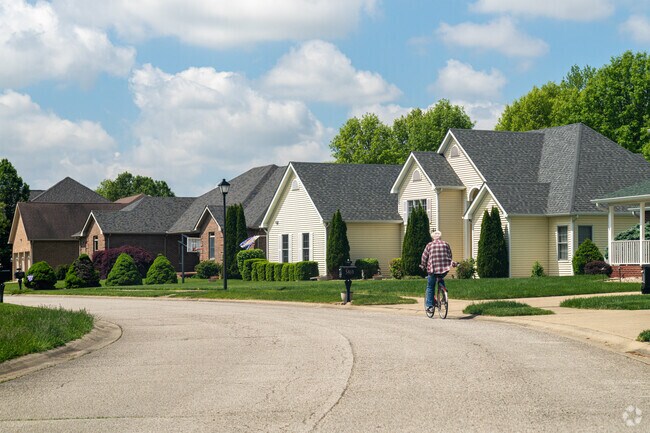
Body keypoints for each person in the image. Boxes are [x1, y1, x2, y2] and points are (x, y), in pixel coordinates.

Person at [420, 230, 455, 315]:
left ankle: (430, 306)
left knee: (430, 286)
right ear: (440, 237)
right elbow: (450, 255)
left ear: (433, 238)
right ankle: (443, 293)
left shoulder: (429, 245)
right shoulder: (446, 244)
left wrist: (423, 265)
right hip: (444, 268)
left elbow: (424, 257)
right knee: (440, 278)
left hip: (433, 269)